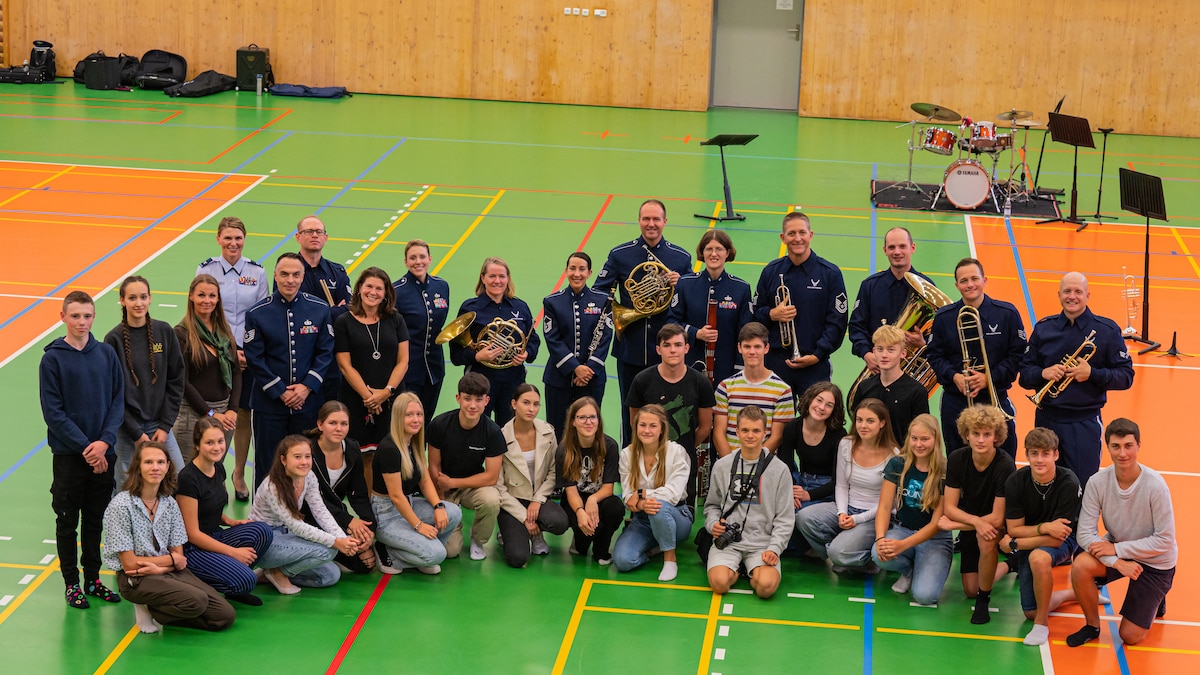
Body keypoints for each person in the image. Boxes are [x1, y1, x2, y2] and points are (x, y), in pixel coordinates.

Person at [40, 291, 124, 609]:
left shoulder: (105, 354)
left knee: (94, 519)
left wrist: (104, 443)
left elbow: (118, 401)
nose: (82, 322)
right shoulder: (52, 359)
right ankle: (71, 584)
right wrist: (88, 448)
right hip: (69, 456)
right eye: (75, 316)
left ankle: (93, 579)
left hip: (104, 452)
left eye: (87, 316)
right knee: (67, 520)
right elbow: (54, 413)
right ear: (63, 317)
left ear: (93, 316)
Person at [103, 441, 235, 633]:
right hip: (135, 579)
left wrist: (161, 566)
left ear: (167, 467)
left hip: (166, 571)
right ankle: (144, 604)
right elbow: (130, 565)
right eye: (148, 462)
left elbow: (179, 556)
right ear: (137, 467)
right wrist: (171, 560)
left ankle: (160, 612)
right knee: (196, 600)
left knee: (224, 616)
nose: (155, 467)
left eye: (160, 462)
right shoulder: (121, 506)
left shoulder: (169, 504)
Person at [1068, 418, 1176, 648]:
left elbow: (1165, 540)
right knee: (1080, 565)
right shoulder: (1097, 482)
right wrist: (1117, 561)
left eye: (1128, 445)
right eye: (1116, 446)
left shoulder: (1155, 485)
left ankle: (1158, 596)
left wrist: (1116, 549)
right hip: (1121, 553)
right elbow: (1084, 534)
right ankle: (1092, 626)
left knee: (1130, 636)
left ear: (1138, 445)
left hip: (1156, 562)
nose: (1122, 453)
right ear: (1107, 447)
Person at [1019, 272, 1134, 485]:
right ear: (1059, 295)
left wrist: (1093, 374)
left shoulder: (1106, 330)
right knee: (1043, 482)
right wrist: (1042, 373)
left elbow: (1126, 377)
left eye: (1078, 292)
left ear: (1087, 295)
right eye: (1067, 291)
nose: (1072, 296)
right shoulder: (1044, 328)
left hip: (1084, 422)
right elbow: (1024, 376)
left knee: (1082, 485)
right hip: (1047, 419)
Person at [594, 199, 692, 444]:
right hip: (631, 345)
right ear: (639, 221)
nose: (651, 224)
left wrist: (682, 284)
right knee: (631, 412)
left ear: (665, 222)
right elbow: (599, 293)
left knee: (666, 410)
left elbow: (691, 299)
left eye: (656, 219)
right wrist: (616, 315)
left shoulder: (680, 257)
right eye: (646, 219)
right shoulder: (620, 254)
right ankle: (629, 463)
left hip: (666, 349)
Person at [244, 252, 335, 488]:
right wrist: (280, 391)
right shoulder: (257, 313)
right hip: (268, 405)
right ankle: (264, 521)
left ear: (303, 277)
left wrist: (306, 387)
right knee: (267, 464)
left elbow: (325, 352)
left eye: (295, 275)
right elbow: (255, 357)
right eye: (284, 274)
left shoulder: (319, 309)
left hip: (308, 404)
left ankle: (302, 516)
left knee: (306, 464)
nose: (290, 280)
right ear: (275, 276)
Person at [198, 216, 268, 501]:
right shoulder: (206, 270)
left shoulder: (257, 272)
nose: (233, 243)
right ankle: (212, 474)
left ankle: (238, 473)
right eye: (227, 238)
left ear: (244, 240)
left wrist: (247, 352)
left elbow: (262, 314)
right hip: (216, 352)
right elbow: (201, 312)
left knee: (242, 416)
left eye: (238, 238)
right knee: (214, 412)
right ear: (218, 239)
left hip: (247, 354)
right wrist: (226, 351)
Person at [926, 258, 1025, 457]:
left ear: (984, 280)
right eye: (963, 281)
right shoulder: (944, 317)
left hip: (994, 396)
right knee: (959, 459)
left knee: (1003, 458)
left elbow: (1018, 356)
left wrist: (989, 378)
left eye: (974, 279)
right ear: (956, 285)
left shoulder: (1007, 314)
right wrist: (955, 376)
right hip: (956, 400)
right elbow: (934, 356)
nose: (970, 284)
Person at [795, 398, 898, 574]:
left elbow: (891, 504)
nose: (863, 425)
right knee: (804, 517)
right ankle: (844, 553)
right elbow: (841, 485)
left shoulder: (894, 455)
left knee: (839, 553)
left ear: (882, 423)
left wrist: (857, 519)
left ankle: (863, 558)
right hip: (848, 508)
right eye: (859, 420)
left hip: (874, 516)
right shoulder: (846, 444)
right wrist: (842, 513)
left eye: (870, 421)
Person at [177, 417, 273, 606]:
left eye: (220, 441)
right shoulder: (188, 479)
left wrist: (229, 521)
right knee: (247, 580)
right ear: (197, 445)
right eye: (209, 443)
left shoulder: (218, 468)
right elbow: (192, 533)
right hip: (194, 548)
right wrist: (233, 553)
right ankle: (204, 580)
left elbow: (209, 506)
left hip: (215, 535)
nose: (217, 447)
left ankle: (230, 576)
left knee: (262, 531)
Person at [1002, 427, 1083, 646]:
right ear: (1026, 455)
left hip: (1066, 540)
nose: (1040, 460)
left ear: (1056, 454)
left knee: (1039, 558)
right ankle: (1072, 594)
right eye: (1034, 453)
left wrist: (1015, 544)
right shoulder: (1016, 482)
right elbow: (1014, 527)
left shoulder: (1069, 482)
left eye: (1046, 453)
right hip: (1036, 538)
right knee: (1030, 610)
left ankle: (1041, 625)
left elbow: (1057, 538)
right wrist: (1043, 528)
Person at [753, 211, 848, 395]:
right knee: (776, 422)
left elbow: (837, 321)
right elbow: (755, 312)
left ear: (810, 235)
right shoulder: (770, 272)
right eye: (791, 233)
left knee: (815, 419)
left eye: (802, 233)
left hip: (815, 364)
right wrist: (772, 314)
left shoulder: (830, 274)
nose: (797, 238)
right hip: (776, 363)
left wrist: (817, 354)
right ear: (783, 238)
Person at [704, 406, 793, 599]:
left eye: (756, 431)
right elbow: (711, 506)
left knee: (766, 588)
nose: (750, 435)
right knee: (719, 584)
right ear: (736, 432)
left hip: (763, 543)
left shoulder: (780, 470)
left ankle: (751, 570)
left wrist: (774, 548)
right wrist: (713, 525)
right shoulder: (722, 466)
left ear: (765, 432)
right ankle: (738, 569)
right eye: (745, 430)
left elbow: (785, 518)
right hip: (728, 542)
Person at [250, 436, 358, 594]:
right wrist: (336, 542)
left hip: (288, 536)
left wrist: (343, 538)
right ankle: (278, 573)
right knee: (328, 550)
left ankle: (271, 572)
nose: (304, 462)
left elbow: (321, 511)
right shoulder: (273, 486)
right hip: (265, 540)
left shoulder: (308, 477)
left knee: (330, 576)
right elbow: (297, 526)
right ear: (283, 460)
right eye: (297, 457)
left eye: (307, 456)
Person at [939, 405, 1017, 624]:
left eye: (987, 434)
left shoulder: (1005, 465)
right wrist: (974, 522)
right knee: (970, 590)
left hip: (997, 525)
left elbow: (997, 518)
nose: (981, 440)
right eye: (976, 434)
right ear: (967, 435)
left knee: (987, 538)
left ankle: (984, 601)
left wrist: (956, 525)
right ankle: (1011, 564)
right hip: (973, 520)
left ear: (996, 437)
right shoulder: (956, 459)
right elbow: (950, 508)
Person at [104, 275, 186, 479]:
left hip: (159, 427)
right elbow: (112, 394)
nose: (138, 303)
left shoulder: (164, 331)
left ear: (150, 298)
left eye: (143, 297)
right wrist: (135, 433)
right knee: (126, 484)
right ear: (122, 301)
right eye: (132, 298)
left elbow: (176, 381)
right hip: (127, 430)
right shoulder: (113, 340)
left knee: (180, 479)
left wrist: (165, 426)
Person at [335, 266, 409, 489]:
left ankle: (394, 502)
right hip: (358, 400)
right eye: (369, 286)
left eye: (379, 288)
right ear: (359, 289)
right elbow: (345, 365)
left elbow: (403, 361)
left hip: (391, 398)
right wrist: (369, 397)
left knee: (392, 453)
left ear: (386, 293)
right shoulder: (344, 321)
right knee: (365, 456)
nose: (373, 292)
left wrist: (386, 393)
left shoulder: (395, 319)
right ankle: (370, 507)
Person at [372, 393, 462, 574]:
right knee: (437, 555)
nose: (416, 420)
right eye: (409, 415)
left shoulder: (413, 441)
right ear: (398, 417)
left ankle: (418, 552)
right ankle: (386, 552)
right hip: (386, 516)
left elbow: (425, 479)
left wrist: (438, 506)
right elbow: (396, 496)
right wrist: (419, 526)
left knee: (453, 512)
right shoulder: (390, 449)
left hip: (409, 504)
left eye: (419, 414)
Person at [627, 323, 715, 507]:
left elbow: (706, 426)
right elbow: (635, 422)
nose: (672, 350)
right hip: (649, 464)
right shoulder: (642, 380)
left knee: (681, 520)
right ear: (658, 349)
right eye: (667, 345)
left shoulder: (700, 383)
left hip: (684, 463)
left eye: (677, 345)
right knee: (648, 513)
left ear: (687, 348)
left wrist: (685, 448)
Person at [449, 257, 541, 426]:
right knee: (477, 428)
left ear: (508, 278)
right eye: (492, 276)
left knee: (511, 429)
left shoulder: (520, 307)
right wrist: (477, 356)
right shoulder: (470, 308)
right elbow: (456, 354)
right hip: (480, 381)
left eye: (502, 276)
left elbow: (533, 339)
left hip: (513, 379)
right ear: (483, 278)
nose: (497, 281)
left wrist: (526, 353)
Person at [872, 414, 952, 606]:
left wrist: (902, 546)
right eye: (914, 438)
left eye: (925, 439)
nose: (918, 444)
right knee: (877, 553)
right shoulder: (897, 464)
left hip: (935, 538)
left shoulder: (944, 471)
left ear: (935, 439)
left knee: (925, 596)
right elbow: (884, 507)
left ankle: (924, 566)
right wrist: (881, 538)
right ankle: (908, 570)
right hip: (903, 529)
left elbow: (935, 524)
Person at [427, 373, 505, 561]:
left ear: (487, 401)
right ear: (458, 398)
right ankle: (455, 522)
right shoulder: (439, 424)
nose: (472, 405)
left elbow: (491, 477)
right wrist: (440, 500)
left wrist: (452, 482)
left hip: (471, 486)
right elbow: (433, 465)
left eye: (478, 400)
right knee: (451, 552)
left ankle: (478, 539)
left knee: (492, 499)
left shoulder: (493, 432)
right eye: (467, 399)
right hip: (443, 488)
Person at [612, 405, 694, 582]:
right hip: (642, 519)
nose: (646, 430)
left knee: (658, 506)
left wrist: (642, 494)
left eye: (652, 426)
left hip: (677, 515)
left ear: (662, 428)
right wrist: (640, 504)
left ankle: (670, 559)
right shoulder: (627, 454)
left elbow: (672, 494)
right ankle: (655, 549)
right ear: (636, 426)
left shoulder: (676, 452)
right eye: (642, 425)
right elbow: (628, 496)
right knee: (623, 560)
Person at [667, 229, 753, 386]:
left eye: (719, 249)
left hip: (727, 371)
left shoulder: (741, 288)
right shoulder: (686, 284)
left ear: (727, 253)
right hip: (689, 367)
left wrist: (740, 370)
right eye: (709, 249)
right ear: (702, 252)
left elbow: (745, 333)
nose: (714, 254)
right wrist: (696, 333)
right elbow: (672, 323)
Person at [542, 251, 612, 438]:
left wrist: (588, 370)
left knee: (589, 431)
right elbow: (552, 338)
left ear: (590, 273)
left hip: (592, 378)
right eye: (572, 268)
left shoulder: (603, 301)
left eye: (582, 269)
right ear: (566, 271)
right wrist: (575, 368)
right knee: (557, 430)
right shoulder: (552, 301)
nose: (577, 273)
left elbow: (605, 337)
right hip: (559, 378)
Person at [497, 384, 569, 567]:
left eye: (536, 404)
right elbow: (498, 487)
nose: (531, 409)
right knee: (518, 558)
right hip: (512, 501)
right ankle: (512, 530)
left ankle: (537, 533)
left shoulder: (547, 431)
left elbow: (553, 471)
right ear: (514, 404)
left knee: (560, 523)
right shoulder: (500, 437)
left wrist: (538, 500)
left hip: (539, 497)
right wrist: (524, 517)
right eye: (526, 403)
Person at [173, 274, 241, 461]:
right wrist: (210, 414)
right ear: (191, 297)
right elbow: (183, 382)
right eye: (201, 295)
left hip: (225, 415)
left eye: (212, 296)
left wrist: (232, 410)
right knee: (187, 473)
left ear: (218, 298)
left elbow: (236, 373)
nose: (207, 301)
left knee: (214, 471)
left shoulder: (224, 332)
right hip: (192, 415)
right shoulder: (181, 334)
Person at [305, 402, 378, 575]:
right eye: (333, 423)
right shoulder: (307, 452)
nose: (339, 429)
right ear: (320, 424)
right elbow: (312, 502)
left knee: (365, 566)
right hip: (307, 516)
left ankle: (338, 549)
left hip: (334, 514)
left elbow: (359, 494)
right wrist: (348, 521)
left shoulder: (352, 449)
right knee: (359, 559)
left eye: (344, 424)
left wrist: (369, 529)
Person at [848, 227, 934, 372]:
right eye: (892, 247)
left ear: (912, 248)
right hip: (878, 370)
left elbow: (938, 334)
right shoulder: (870, 286)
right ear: (885, 250)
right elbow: (856, 327)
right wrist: (866, 354)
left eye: (902, 246)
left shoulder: (927, 287)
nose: (897, 252)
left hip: (912, 372)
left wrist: (923, 343)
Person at [556, 397, 623, 565]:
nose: (588, 422)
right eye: (582, 417)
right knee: (588, 532)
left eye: (593, 417)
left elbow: (609, 488)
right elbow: (570, 491)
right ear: (573, 422)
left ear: (598, 421)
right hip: (575, 499)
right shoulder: (564, 449)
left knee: (615, 508)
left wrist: (593, 499)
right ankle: (580, 543)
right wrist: (580, 512)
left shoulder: (610, 446)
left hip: (600, 497)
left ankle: (601, 549)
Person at [712, 322, 795, 458]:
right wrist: (729, 465)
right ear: (739, 348)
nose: (752, 352)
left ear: (766, 348)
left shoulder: (782, 390)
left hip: (764, 468)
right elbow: (718, 433)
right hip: (729, 467)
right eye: (747, 346)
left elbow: (777, 436)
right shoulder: (725, 387)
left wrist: (755, 465)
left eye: (757, 347)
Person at [294, 215, 352, 404]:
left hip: (332, 356)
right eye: (308, 231)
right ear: (298, 237)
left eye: (319, 232)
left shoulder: (338, 272)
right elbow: (293, 312)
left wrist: (315, 313)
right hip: (300, 355)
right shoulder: (288, 271)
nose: (314, 235)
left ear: (325, 237)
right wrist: (333, 311)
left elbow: (350, 309)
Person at [394, 239, 451, 420]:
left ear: (430, 259)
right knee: (408, 420)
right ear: (405, 262)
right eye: (412, 258)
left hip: (434, 368)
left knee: (426, 420)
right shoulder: (397, 290)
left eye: (422, 257)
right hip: (409, 369)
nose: (418, 262)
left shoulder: (442, 286)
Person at [848, 324, 928, 443]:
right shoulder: (864, 387)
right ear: (874, 351)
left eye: (891, 350)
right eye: (880, 349)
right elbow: (856, 428)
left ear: (903, 353)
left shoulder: (917, 391)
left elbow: (922, 432)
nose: (884, 355)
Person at [776, 382, 846, 510]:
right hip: (800, 481)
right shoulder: (793, 427)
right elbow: (785, 465)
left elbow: (839, 481)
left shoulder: (838, 434)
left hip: (826, 488)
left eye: (829, 405)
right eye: (819, 400)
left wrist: (808, 495)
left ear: (834, 411)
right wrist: (790, 492)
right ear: (810, 399)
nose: (821, 407)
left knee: (798, 513)